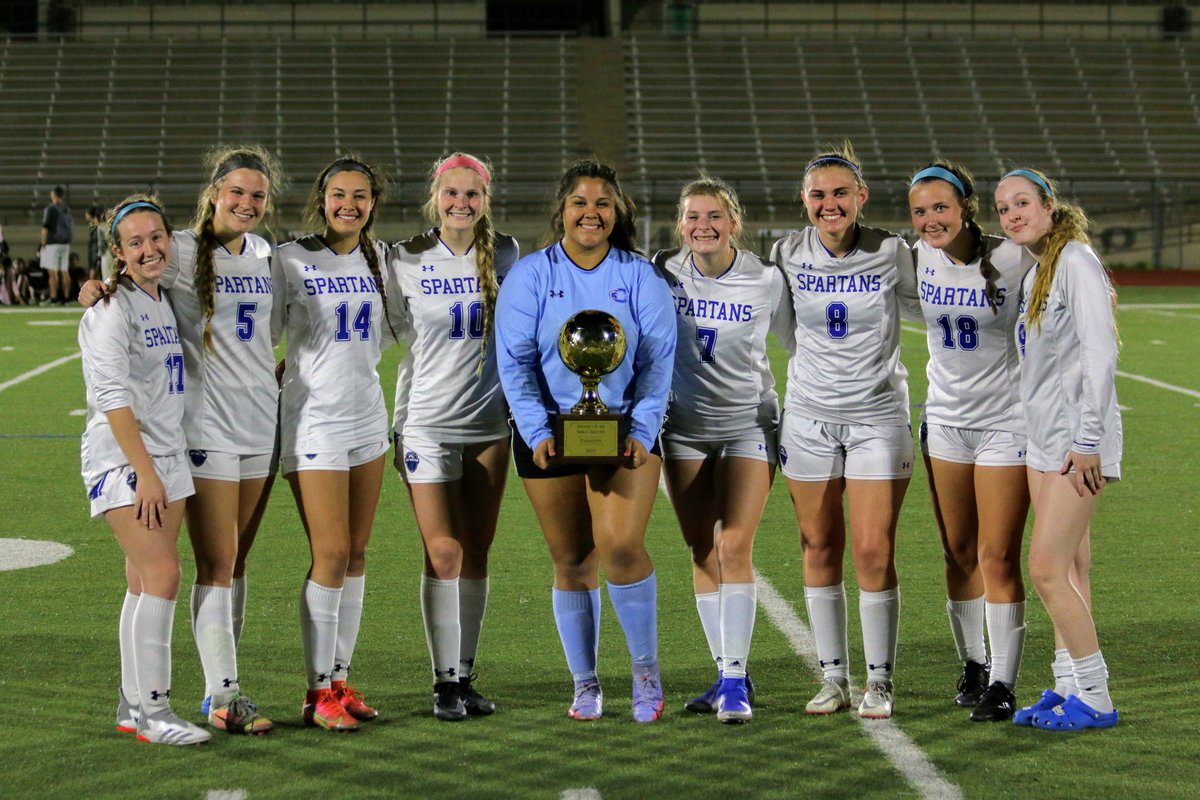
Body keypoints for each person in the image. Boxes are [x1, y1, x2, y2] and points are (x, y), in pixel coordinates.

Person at [79, 146, 282, 735]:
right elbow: (112, 384)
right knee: (188, 569)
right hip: (183, 439)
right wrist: (96, 289)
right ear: (214, 193)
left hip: (245, 428)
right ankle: (184, 701)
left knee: (165, 573)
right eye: (236, 191)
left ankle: (135, 702)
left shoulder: (260, 256)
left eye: (257, 194)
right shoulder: (172, 261)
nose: (246, 202)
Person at [495, 159, 677, 722]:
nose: (591, 213)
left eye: (602, 203)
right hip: (548, 429)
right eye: (580, 202)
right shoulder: (530, 276)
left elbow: (657, 363)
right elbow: (515, 362)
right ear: (562, 210)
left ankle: (645, 672)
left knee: (620, 548)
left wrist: (644, 430)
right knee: (572, 558)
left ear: (617, 211)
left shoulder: (642, 276)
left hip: (623, 430)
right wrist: (535, 431)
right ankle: (586, 682)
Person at [771, 142, 919, 720]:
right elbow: (785, 329)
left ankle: (879, 681)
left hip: (878, 416)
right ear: (803, 201)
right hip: (808, 416)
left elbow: (924, 305)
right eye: (817, 195)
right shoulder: (786, 251)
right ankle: (833, 677)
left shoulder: (891, 251)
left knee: (873, 547)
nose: (829, 205)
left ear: (860, 196)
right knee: (818, 545)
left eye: (839, 193)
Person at [654, 176, 791, 724]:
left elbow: (800, 343)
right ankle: (726, 671)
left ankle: (735, 680)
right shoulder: (662, 273)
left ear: (734, 221)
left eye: (714, 216)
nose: (702, 226)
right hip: (683, 430)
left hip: (747, 427)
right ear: (679, 223)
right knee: (701, 552)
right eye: (692, 216)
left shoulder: (766, 280)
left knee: (734, 545)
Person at [389, 153, 519, 721]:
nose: (461, 204)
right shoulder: (405, 257)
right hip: (427, 422)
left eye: (472, 195)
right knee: (443, 551)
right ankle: (442, 682)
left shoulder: (510, 253)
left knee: (478, 552)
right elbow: (380, 329)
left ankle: (465, 675)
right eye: (451, 194)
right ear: (434, 197)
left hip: (490, 425)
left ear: (486, 200)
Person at [994, 167, 1123, 731]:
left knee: (1044, 568)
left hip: (1078, 443)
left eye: (1022, 203)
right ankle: (1068, 683)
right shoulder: (1040, 268)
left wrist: (1089, 439)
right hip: (1045, 442)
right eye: (1002, 208)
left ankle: (1095, 695)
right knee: (1071, 565)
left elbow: (1101, 353)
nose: (1012, 215)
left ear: (1049, 205)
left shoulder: (1075, 261)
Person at [80, 195, 210, 745]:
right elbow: (111, 397)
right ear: (118, 252)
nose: (150, 248)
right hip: (127, 459)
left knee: (141, 580)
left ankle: (133, 703)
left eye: (156, 237)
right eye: (135, 242)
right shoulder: (110, 309)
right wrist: (145, 473)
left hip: (166, 453)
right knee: (164, 576)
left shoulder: (161, 298)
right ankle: (156, 714)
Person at [272, 156, 395, 732]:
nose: (350, 204)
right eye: (339, 194)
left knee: (358, 552)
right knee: (332, 552)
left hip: (368, 416)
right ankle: (316, 689)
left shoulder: (384, 260)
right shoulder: (290, 258)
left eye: (361, 196)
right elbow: (246, 320)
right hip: (313, 420)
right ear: (321, 199)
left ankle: (340, 681)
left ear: (374, 202)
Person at [909, 162, 1036, 722]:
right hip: (944, 422)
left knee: (998, 554)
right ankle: (974, 664)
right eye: (919, 210)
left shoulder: (1014, 255)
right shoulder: (913, 256)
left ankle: (1005, 683)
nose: (931, 219)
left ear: (966, 207)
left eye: (940, 207)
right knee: (959, 551)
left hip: (1006, 423)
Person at [41, 185, 74, 305]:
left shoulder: (51, 209)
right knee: (65, 271)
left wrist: (43, 243)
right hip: (65, 243)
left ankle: (53, 297)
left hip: (52, 243)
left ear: (53, 195)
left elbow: (45, 227)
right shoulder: (66, 209)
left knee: (52, 272)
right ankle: (66, 298)